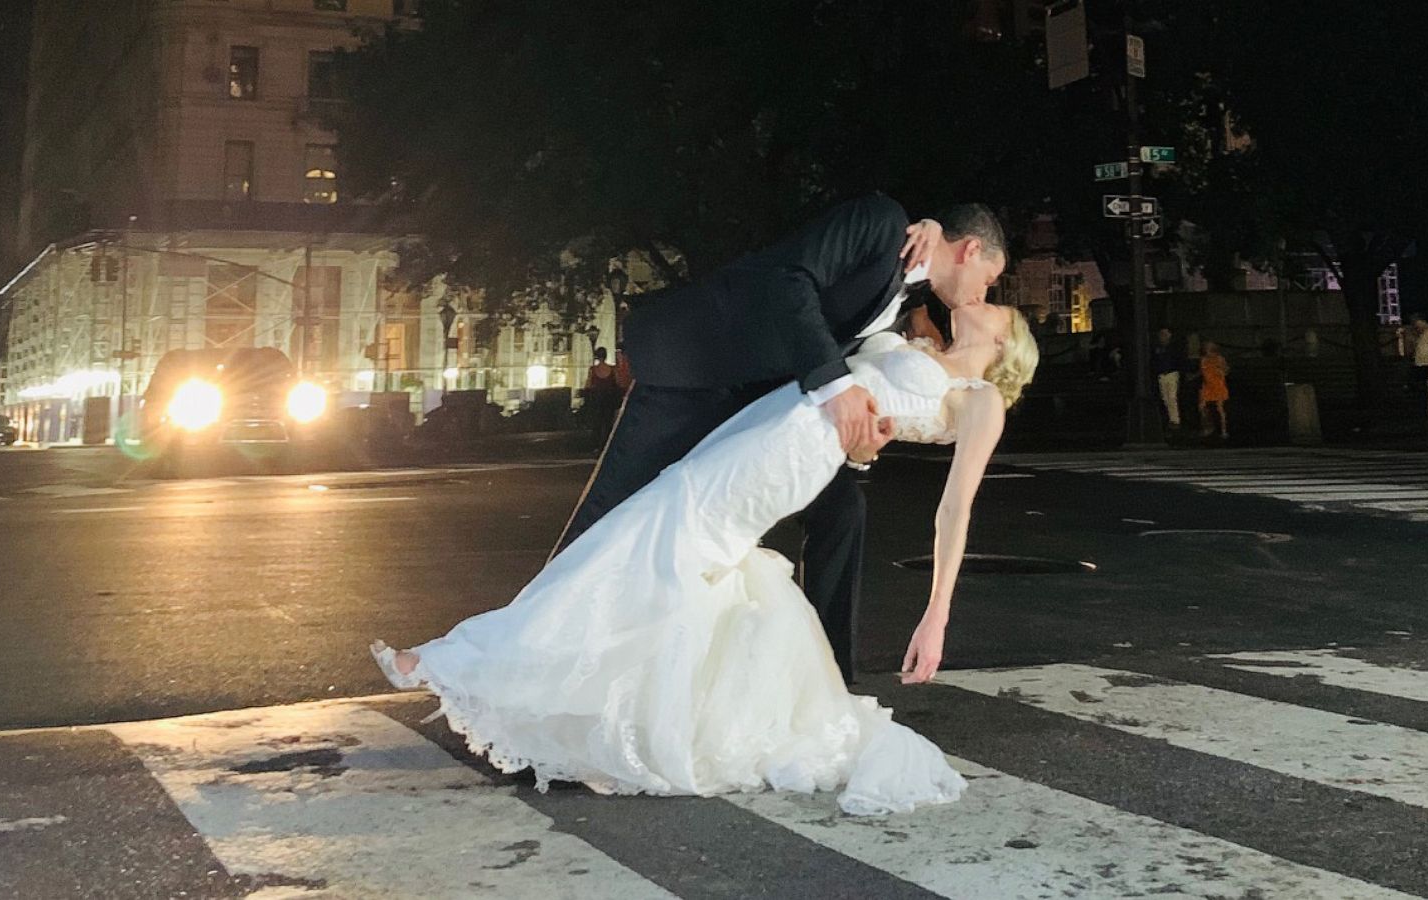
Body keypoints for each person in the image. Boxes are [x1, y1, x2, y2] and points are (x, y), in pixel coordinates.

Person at [372, 301, 1039, 815]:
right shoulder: (920, 344)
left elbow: (955, 508)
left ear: (1006, 340)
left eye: (998, 305)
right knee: (658, 541)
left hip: (794, 449)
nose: (984, 301)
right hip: (777, 418)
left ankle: (461, 658)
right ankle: (557, 688)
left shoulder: (982, 402)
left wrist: (936, 616)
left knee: (652, 537)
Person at [551, 195, 1005, 683]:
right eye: (990, 279)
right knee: (611, 514)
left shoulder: (906, 300)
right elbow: (789, 279)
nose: (985, 293)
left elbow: (870, 378)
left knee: (843, 511)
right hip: (701, 368)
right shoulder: (882, 224)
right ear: (971, 249)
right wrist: (836, 388)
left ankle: (828, 677)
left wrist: (863, 450)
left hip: (766, 413)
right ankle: (528, 647)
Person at [580, 347, 622, 445]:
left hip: (597, 399)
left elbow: (588, 384)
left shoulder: (593, 370)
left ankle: (596, 443)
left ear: (597, 357)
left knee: (597, 422)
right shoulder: (612, 369)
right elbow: (618, 383)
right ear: (606, 356)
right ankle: (607, 443)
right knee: (608, 422)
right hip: (609, 399)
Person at [1151, 327, 1183, 433]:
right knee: (1165, 397)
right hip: (1162, 374)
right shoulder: (1157, 348)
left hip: (1171, 373)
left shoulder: (1173, 347)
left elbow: (1177, 359)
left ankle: (1175, 419)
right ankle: (1171, 417)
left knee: (1172, 396)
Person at [1198, 341, 1231, 440]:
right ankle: (1207, 427)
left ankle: (1223, 430)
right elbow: (1202, 372)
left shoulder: (1219, 359)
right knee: (1201, 407)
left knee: (1220, 409)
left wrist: (1220, 371)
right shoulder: (1203, 360)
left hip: (1218, 386)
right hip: (1207, 386)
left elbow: (1226, 371)